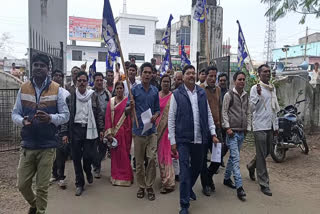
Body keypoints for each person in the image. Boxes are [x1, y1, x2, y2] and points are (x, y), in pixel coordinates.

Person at [12, 54, 70, 214]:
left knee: (42, 187)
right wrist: (22, 121)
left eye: (42, 65)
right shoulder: (23, 88)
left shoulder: (57, 90)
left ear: (48, 69)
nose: (38, 68)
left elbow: (66, 116)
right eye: (36, 65)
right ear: (32, 67)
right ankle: (35, 204)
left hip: (47, 145)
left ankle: (40, 211)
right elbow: (15, 113)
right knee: (22, 185)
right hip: (28, 145)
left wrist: (50, 118)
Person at [168, 65, 218, 214]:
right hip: (183, 139)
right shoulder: (176, 94)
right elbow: (171, 119)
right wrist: (172, 141)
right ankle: (184, 205)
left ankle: (188, 188)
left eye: (193, 73)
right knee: (184, 172)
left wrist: (213, 133)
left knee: (197, 167)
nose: (191, 75)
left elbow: (208, 114)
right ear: (183, 77)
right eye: (188, 73)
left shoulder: (201, 93)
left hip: (200, 138)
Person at [61, 71, 104, 196]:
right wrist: (64, 132)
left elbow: (99, 114)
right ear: (76, 81)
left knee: (88, 156)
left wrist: (101, 129)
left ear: (87, 82)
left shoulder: (92, 96)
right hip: (75, 130)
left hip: (89, 130)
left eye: (84, 80)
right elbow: (66, 116)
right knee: (76, 158)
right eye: (79, 80)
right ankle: (79, 184)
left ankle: (88, 171)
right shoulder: (70, 98)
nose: (82, 83)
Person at [126, 62, 160, 201]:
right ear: (141, 74)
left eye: (149, 72)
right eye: (144, 72)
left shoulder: (154, 91)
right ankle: (141, 186)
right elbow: (127, 111)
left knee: (151, 159)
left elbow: (158, 109)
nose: (147, 75)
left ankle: (149, 185)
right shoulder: (134, 90)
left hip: (151, 131)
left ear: (152, 74)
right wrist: (130, 106)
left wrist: (155, 116)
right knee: (139, 162)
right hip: (139, 131)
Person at [247, 64, 279, 197]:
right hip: (259, 126)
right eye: (265, 72)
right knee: (262, 155)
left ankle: (251, 165)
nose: (267, 73)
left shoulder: (272, 88)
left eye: (269, 71)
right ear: (259, 74)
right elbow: (251, 108)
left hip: (270, 125)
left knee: (266, 152)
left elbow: (274, 109)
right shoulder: (256, 88)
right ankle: (264, 183)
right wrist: (259, 96)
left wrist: (276, 126)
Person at [222, 71, 251, 201]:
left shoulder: (246, 96)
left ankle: (227, 178)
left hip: (242, 132)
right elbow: (224, 112)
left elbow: (248, 112)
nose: (242, 81)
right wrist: (227, 128)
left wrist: (248, 128)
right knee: (236, 159)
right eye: (240, 79)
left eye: (244, 79)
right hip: (232, 133)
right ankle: (240, 187)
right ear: (234, 81)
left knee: (233, 157)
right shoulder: (229, 95)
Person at [200, 66, 223, 196]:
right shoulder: (200, 90)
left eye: (215, 76)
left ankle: (208, 177)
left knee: (217, 158)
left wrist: (221, 126)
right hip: (204, 130)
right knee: (203, 159)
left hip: (217, 128)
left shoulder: (218, 90)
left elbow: (218, 108)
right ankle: (205, 185)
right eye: (211, 76)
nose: (213, 79)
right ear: (206, 76)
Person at [105, 81, 133, 186]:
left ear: (124, 89)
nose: (119, 90)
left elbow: (130, 118)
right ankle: (116, 177)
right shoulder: (111, 102)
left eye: (121, 88)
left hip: (125, 132)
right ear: (115, 90)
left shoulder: (128, 101)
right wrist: (109, 133)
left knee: (125, 155)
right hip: (114, 134)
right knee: (115, 157)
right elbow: (107, 117)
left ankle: (126, 177)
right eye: (117, 88)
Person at [50, 69, 71, 189]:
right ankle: (54, 173)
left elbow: (67, 112)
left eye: (60, 76)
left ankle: (61, 176)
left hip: (61, 126)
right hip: (49, 125)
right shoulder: (46, 92)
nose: (57, 77)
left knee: (61, 151)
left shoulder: (65, 93)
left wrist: (65, 130)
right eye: (55, 75)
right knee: (51, 152)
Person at [156, 74, 175, 194]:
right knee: (160, 156)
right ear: (160, 82)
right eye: (164, 81)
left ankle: (169, 182)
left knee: (167, 155)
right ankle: (164, 178)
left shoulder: (173, 97)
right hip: (157, 129)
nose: (166, 83)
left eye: (168, 82)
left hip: (168, 130)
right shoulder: (156, 95)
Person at [92, 72, 111, 179]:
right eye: (97, 80)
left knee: (103, 148)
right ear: (94, 81)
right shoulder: (90, 93)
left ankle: (97, 164)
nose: (99, 82)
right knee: (93, 148)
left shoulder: (107, 94)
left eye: (100, 80)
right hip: (92, 125)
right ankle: (96, 167)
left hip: (105, 125)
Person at [218, 72, 229, 167]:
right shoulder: (216, 92)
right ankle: (218, 161)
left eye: (224, 81)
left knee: (227, 144)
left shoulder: (229, 93)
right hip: (217, 122)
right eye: (220, 80)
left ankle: (220, 156)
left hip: (227, 122)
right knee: (218, 143)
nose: (222, 82)